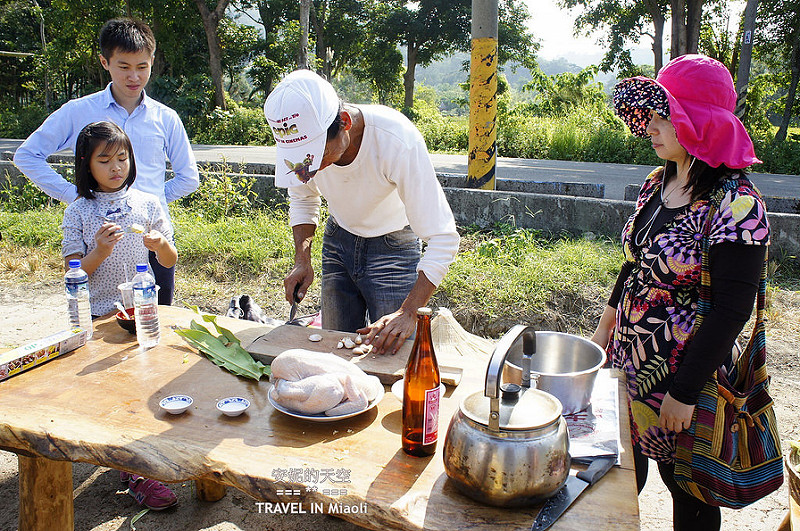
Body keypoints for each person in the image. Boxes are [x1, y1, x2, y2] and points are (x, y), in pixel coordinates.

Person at [591, 54, 770, 531]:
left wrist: (683, 393)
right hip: (630, 359)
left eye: (662, 114)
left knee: (687, 490)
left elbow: (734, 309)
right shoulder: (658, 182)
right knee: (623, 470)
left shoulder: (737, 203)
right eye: (649, 113)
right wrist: (602, 332)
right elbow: (633, 266)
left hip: (684, 372)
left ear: (697, 123)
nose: (650, 125)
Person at [264, 69, 459, 355]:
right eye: (304, 161)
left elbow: (443, 238)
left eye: (318, 157)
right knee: (334, 349)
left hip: (393, 248)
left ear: (344, 122)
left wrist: (408, 312)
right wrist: (301, 259)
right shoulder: (301, 148)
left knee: (394, 352)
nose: (311, 170)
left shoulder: (396, 140)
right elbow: (303, 199)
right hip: (338, 242)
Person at [14, 17, 198, 305]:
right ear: (104, 62)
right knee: (100, 325)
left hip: (150, 239)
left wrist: (151, 200)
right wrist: (76, 196)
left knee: (155, 320)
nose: (133, 77)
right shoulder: (79, 111)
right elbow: (27, 155)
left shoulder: (165, 117)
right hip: (96, 241)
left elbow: (189, 178)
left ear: (152, 60)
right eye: (123, 67)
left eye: (142, 67)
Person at [62, 121, 178, 510]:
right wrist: (98, 252)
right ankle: (133, 470)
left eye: (122, 157)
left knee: (146, 384)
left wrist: (160, 243)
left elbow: (170, 259)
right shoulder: (79, 211)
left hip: (141, 311)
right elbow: (74, 272)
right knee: (111, 391)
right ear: (85, 164)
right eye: (105, 159)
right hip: (98, 317)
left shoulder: (146, 203)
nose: (116, 167)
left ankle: (143, 457)